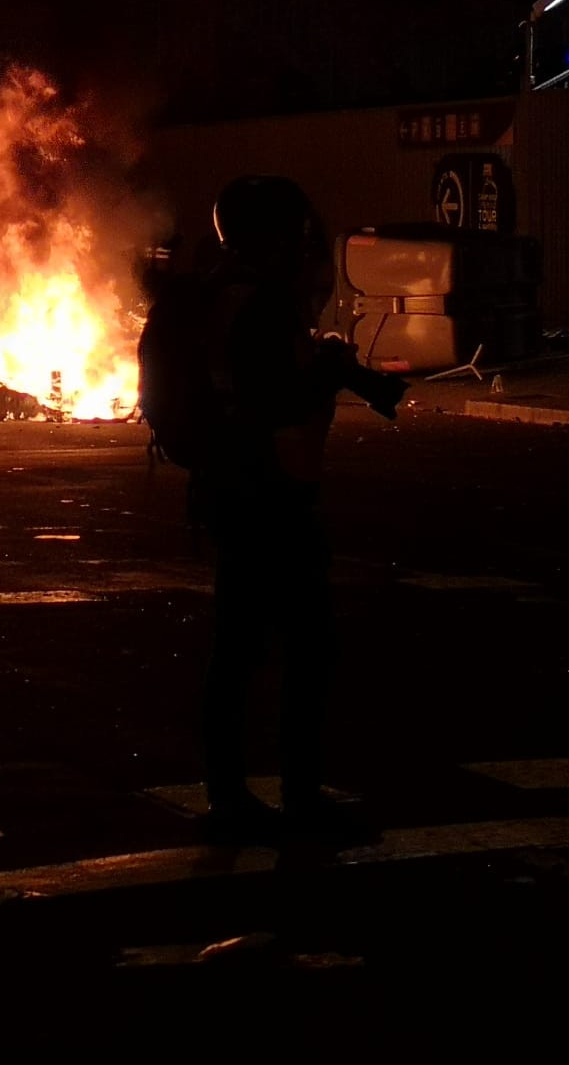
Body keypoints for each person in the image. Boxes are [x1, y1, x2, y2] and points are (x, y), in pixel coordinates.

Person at [174, 175, 402, 844]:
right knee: (304, 648)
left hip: (232, 486)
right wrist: (326, 372)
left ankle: (231, 794)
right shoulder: (259, 304)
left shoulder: (218, 294)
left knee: (239, 648)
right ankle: (294, 798)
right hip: (267, 491)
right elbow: (274, 399)